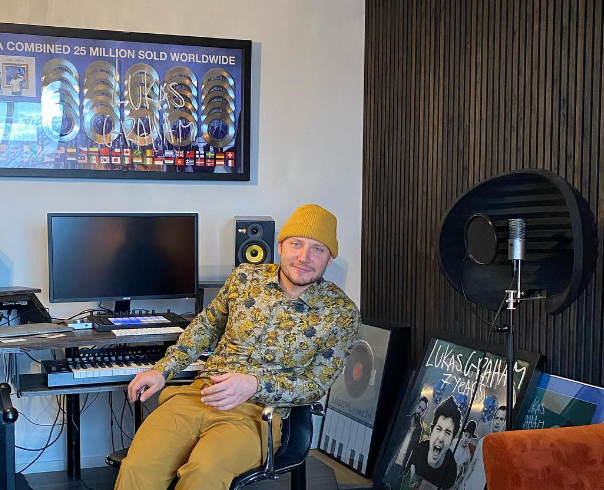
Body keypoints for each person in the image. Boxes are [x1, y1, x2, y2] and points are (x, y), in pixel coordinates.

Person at [114, 204, 361, 490]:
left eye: (317, 249)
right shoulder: (244, 278)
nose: (304, 257)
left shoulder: (341, 313)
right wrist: (161, 370)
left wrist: (254, 385)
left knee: (205, 471)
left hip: (256, 414)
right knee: (139, 467)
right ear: (281, 246)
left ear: (330, 258)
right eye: (296, 244)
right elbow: (207, 326)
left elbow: (315, 385)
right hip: (199, 395)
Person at [409, 396, 461, 490]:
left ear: (452, 439)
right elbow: (411, 477)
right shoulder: (419, 449)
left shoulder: (451, 469)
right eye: (439, 429)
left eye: (447, 432)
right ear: (432, 431)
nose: (441, 438)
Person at [460, 406, 507, 490]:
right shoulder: (482, 441)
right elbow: (472, 464)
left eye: (501, 419)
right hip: (469, 486)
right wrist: (463, 483)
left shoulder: (503, 448)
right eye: (496, 418)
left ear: (505, 422)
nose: (497, 422)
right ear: (493, 420)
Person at [450, 420, 477, 490]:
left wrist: (456, 485)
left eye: (469, 437)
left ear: (471, 439)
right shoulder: (454, 442)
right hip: (441, 474)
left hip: (451, 482)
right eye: (466, 435)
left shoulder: (467, 455)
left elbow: (464, 473)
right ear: (463, 434)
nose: (466, 439)